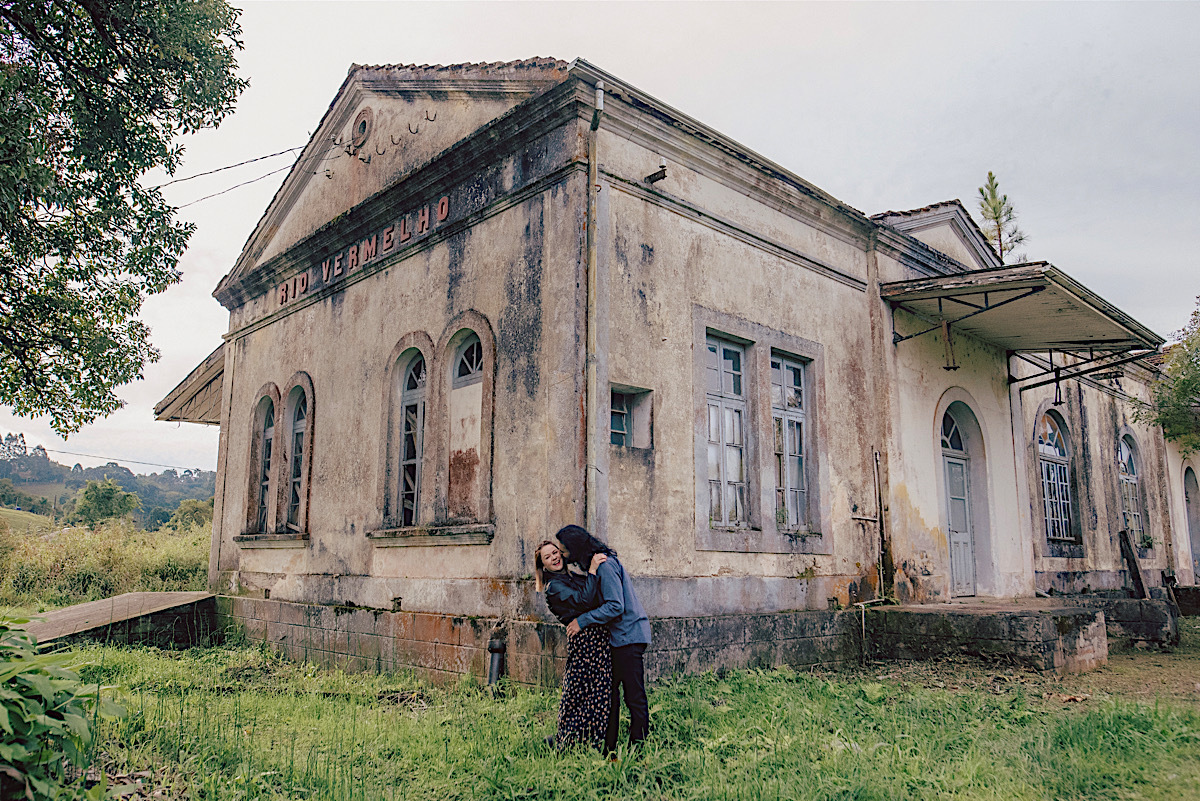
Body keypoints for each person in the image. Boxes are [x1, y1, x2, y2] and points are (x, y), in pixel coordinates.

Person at [556, 524, 651, 753]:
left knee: (633, 695)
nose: (562, 555)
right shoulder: (595, 564)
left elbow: (615, 606)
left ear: (576, 549)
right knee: (611, 696)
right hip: (618, 638)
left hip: (628, 636)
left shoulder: (605, 565)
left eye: (564, 550)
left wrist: (582, 621)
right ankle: (609, 747)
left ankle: (639, 747)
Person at [535, 539, 611, 750]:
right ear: (543, 566)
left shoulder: (571, 576)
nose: (554, 558)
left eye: (555, 552)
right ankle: (567, 740)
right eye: (547, 557)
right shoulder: (554, 587)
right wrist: (593, 570)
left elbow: (593, 596)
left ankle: (589, 740)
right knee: (579, 693)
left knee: (596, 692)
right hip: (585, 643)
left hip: (597, 639)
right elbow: (585, 601)